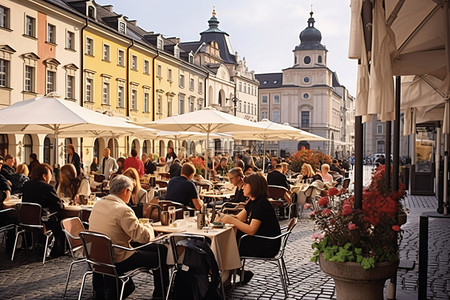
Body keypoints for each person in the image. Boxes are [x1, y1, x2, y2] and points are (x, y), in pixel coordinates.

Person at [89, 175, 169, 299]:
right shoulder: (123, 210)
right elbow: (144, 237)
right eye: (131, 192)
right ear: (126, 190)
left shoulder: (98, 205)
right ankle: (160, 294)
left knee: (158, 248)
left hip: (98, 255)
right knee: (161, 253)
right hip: (119, 257)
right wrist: (149, 227)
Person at [220, 173, 281, 283]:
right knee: (230, 241)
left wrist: (230, 220)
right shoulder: (253, 201)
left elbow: (251, 230)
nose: (242, 187)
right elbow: (239, 218)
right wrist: (223, 217)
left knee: (228, 245)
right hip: (260, 239)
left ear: (253, 186)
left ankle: (226, 278)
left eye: (245, 185)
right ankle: (236, 274)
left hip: (268, 245)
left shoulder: (262, 204)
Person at [22, 163, 65, 257]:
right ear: (44, 176)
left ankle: (29, 245)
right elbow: (59, 207)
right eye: (50, 175)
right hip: (43, 220)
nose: (51, 178)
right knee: (60, 222)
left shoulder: (26, 185)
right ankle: (58, 250)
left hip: (26, 221)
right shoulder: (48, 187)